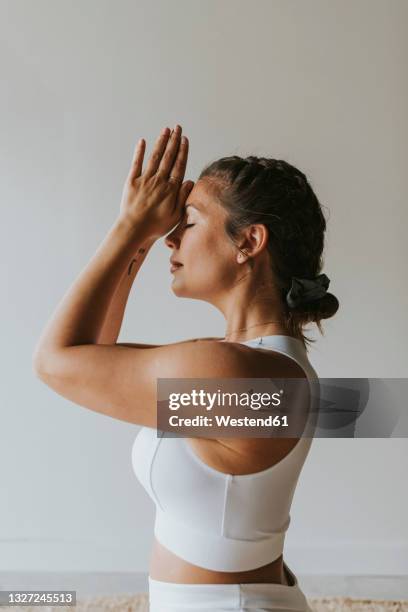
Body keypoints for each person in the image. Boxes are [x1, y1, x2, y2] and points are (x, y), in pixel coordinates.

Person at [33, 124, 339, 611]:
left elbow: (56, 361)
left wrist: (131, 227)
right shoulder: (252, 364)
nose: (169, 239)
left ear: (250, 242)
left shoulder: (234, 373)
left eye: (189, 222)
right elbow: (90, 350)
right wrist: (136, 235)